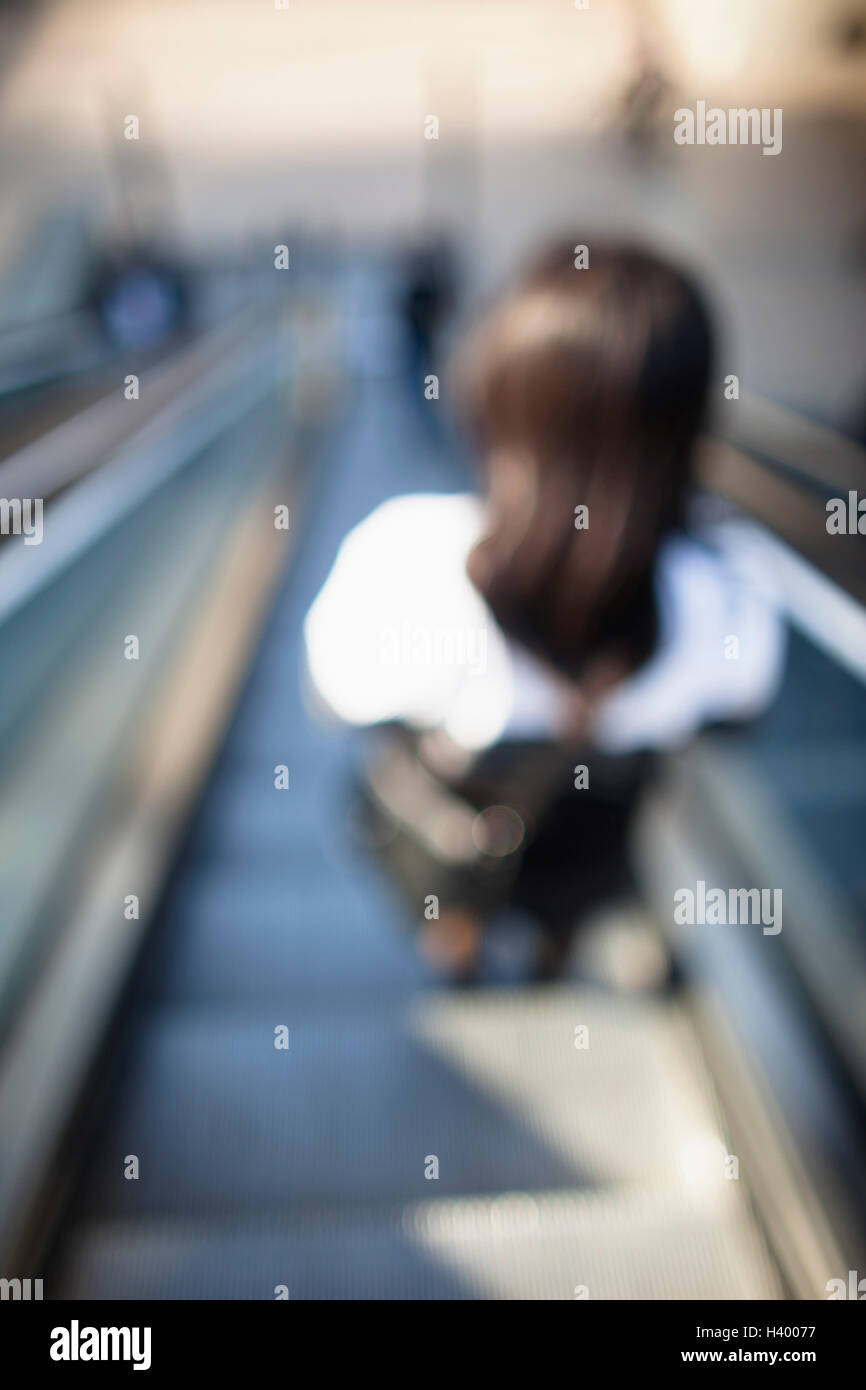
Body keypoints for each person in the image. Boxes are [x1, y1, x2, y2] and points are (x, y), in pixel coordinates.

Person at [304, 241, 785, 979]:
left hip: (454, 840)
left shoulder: (406, 556)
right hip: (591, 855)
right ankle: (549, 960)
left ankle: (455, 952)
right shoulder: (730, 588)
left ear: (493, 394)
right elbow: (734, 707)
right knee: (573, 901)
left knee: (449, 895)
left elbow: (336, 697)